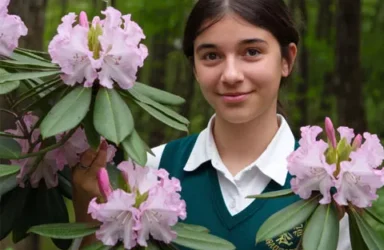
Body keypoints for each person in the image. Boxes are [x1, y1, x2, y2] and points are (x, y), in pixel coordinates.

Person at [72, 0, 351, 249]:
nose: (230, 75)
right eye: (211, 56)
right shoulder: (151, 169)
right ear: (194, 68)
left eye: (252, 52)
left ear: (287, 60)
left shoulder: (329, 183)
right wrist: (88, 209)